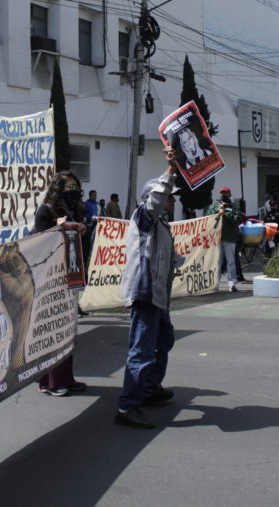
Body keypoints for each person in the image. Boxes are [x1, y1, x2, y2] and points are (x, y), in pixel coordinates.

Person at [115, 146, 185, 430]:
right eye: (169, 198)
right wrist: (169, 170)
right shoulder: (144, 217)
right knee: (142, 350)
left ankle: (149, 387)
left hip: (158, 296)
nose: (171, 202)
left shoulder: (162, 227)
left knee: (163, 340)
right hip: (144, 293)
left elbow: (166, 257)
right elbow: (155, 200)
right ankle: (128, 405)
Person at [32, 171, 88, 397]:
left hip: (69, 275)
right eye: (68, 187)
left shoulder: (73, 210)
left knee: (68, 329)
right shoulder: (46, 209)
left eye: (76, 187)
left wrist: (81, 228)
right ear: (58, 188)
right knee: (54, 330)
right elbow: (38, 239)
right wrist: (57, 226)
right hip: (51, 278)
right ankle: (51, 381)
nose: (72, 192)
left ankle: (66, 377)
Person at [205, 186, 241, 292]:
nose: (223, 195)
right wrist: (218, 210)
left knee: (231, 261)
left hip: (229, 237)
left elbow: (237, 218)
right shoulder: (215, 205)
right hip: (216, 238)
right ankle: (215, 284)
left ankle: (232, 283)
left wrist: (226, 213)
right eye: (222, 193)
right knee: (217, 261)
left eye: (226, 193)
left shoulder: (234, 206)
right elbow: (208, 216)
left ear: (229, 194)